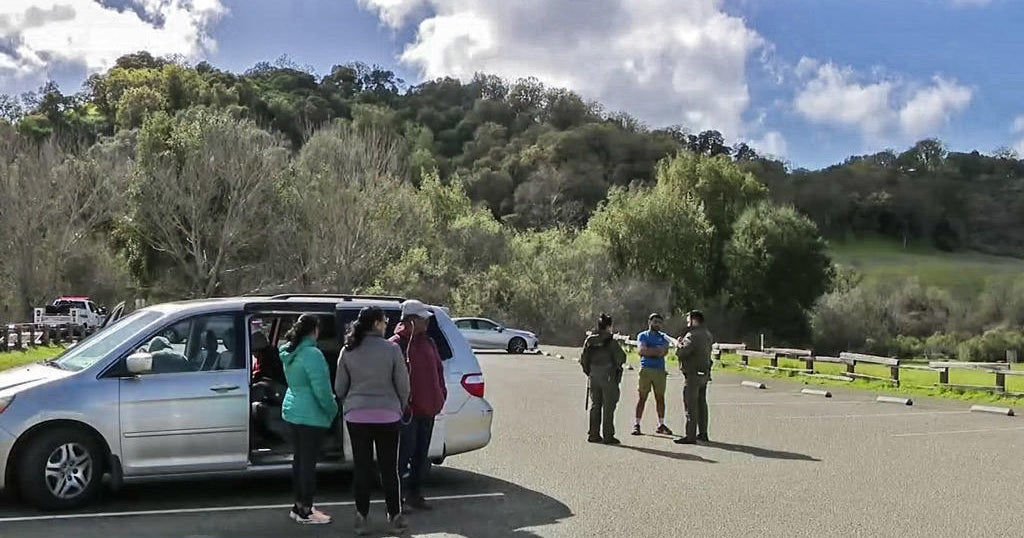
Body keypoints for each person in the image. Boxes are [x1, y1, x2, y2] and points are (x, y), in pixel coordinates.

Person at [335, 307, 411, 535]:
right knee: (389, 469)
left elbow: (339, 388)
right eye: (385, 321)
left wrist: (351, 403)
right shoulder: (392, 349)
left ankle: (361, 518)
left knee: (362, 467)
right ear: (377, 323)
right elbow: (403, 385)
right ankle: (394, 517)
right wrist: (401, 406)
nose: (387, 324)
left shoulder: (348, 350)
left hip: (357, 416)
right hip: (388, 416)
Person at [280, 314, 338, 525]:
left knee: (300, 461)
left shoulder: (290, 352)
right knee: (308, 465)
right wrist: (332, 409)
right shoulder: (313, 354)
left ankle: (299, 506)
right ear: (314, 330)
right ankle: (306, 510)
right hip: (311, 415)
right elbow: (322, 389)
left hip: (292, 410)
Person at [390, 299, 446, 511]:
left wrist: (440, 395)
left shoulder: (429, 342)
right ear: (411, 320)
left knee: (421, 457)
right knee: (401, 457)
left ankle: (415, 495)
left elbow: (438, 372)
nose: (427, 323)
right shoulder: (396, 344)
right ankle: (397, 500)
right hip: (407, 413)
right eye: (423, 319)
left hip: (429, 410)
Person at [580, 314, 627, 444]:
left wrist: (589, 372)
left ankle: (593, 434)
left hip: (594, 374)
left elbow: (584, 359)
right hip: (608, 375)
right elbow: (621, 358)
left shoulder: (590, 340)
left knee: (595, 405)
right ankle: (608, 435)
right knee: (608, 406)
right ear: (609, 326)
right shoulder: (611, 342)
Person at [674, 310, 714, 445]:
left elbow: (682, 352)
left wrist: (679, 344)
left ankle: (690, 435)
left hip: (692, 374)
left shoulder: (692, 335)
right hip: (704, 373)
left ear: (694, 320)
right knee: (702, 404)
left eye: (688, 320)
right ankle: (703, 433)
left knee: (690, 405)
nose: (687, 323)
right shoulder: (707, 334)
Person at [633, 313, 673, 436]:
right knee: (642, 397)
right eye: (655, 322)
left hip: (659, 371)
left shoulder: (664, 337)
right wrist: (654, 350)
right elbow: (641, 350)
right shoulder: (643, 335)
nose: (657, 325)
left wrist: (650, 350)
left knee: (660, 398)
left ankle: (661, 424)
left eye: (659, 322)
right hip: (646, 369)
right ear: (650, 322)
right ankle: (637, 424)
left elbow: (663, 352)